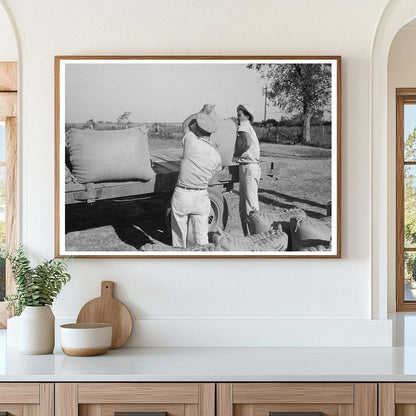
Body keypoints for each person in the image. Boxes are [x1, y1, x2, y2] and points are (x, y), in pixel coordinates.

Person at [171, 112, 222, 248]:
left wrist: (202, 112)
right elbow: (214, 173)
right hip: (201, 196)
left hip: (182, 194)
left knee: (179, 239)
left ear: (197, 128)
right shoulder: (216, 155)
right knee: (202, 238)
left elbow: (185, 124)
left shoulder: (190, 140)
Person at [233, 104, 261, 236]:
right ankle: (249, 236)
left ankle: (255, 237)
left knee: (250, 206)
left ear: (246, 116)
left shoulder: (244, 125)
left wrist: (235, 154)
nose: (238, 118)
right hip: (248, 167)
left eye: (239, 115)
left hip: (249, 167)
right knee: (245, 206)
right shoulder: (247, 126)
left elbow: (247, 143)